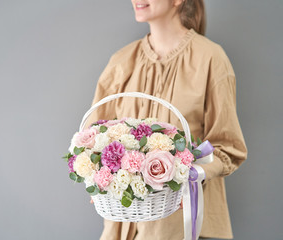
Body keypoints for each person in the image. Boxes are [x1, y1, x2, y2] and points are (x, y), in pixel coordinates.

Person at [85, 0, 248, 239]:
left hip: (183, 225)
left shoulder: (211, 59)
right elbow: (94, 138)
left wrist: (187, 173)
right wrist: (99, 174)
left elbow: (229, 147)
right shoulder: (121, 62)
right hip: (122, 228)